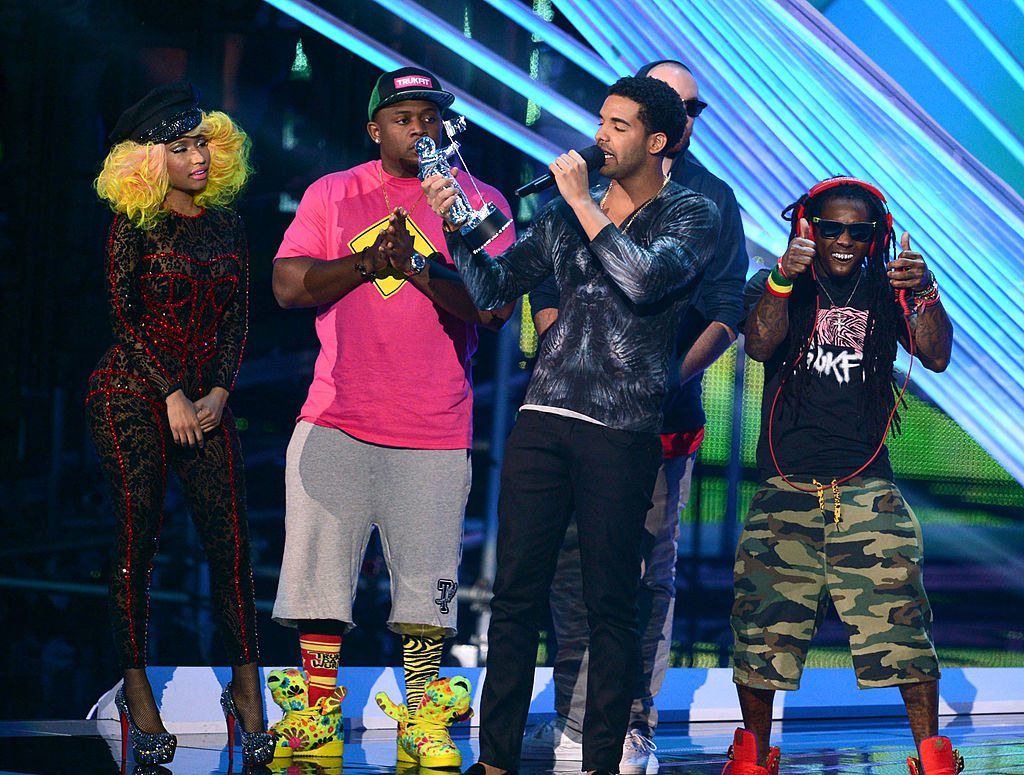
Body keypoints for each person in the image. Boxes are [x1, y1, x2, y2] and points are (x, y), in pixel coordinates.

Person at [423, 75, 720, 775]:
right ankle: (494, 761)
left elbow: (644, 281)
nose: (601, 135)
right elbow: (495, 289)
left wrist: (586, 204)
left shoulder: (691, 215)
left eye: (619, 126)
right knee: (515, 594)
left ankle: (599, 761)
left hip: (621, 428)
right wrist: (457, 227)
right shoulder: (561, 216)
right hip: (544, 417)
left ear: (655, 141)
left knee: (611, 600)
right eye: (601, 120)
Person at [268, 67, 515, 767]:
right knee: (318, 576)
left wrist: (423, 266)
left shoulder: (479, 203)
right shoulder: (333, 192)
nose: (419, 129)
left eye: (430, 117)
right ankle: (317, 711)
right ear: (375, 129)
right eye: (403, 118)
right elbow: (288, 284)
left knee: (428, 583)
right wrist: (364, 261)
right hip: (335, 417)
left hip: (433, 424)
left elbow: (495, 309)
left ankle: (421, 718)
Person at [524, 59, 747, 773]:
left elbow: (726, 310)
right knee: (567, 566)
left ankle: (629, 720)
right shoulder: (583, 185)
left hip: (657, 420)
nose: (673, 120)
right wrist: (565, 350)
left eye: (685, 108)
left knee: (642, 570)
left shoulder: (708, 199)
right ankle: (572, 716)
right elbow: (544, 281)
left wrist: (656, 381)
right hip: (569, 411)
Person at [722, 177, 957, 775]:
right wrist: (781, 279)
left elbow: (935, 354)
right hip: (787, 488)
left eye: (859, 230)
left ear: (876, 236)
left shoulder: (889, 287)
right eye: (831, 228)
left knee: (903, 627)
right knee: (762, 631)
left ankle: (932, 755)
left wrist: (924, 289)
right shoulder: (779, 280)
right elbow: (758, 344)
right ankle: (753, 756)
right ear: (808, 227)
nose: (845, 240)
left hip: (867, 489)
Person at [86, 81, 274, 766]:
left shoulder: (227, 224)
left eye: (201, 143)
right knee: (137, 539)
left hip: (206, 402)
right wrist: (168, 391)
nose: (198, 156)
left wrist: (221, 389)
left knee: (231, 548)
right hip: (131, 393)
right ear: (146, 159)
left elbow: (237, 317)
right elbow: (122, 318)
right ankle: (138, 690)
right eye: (180, 146)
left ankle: (248, 692)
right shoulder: (131, 227)